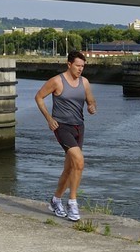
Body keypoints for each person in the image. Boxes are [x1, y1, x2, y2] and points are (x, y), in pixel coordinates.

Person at [35, 49, 96, 222]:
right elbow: (39, 97)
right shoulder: (57, 81)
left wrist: (92, 107)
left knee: (71, 167)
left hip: (79, 127)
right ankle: (73, 203)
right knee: (79, 161)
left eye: (82, 66)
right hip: (62, 127)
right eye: (77, 65)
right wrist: (49, 118)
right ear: (69, 64)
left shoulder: (84, 82)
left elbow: (91, 101)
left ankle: (55, 200)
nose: (80, 69)